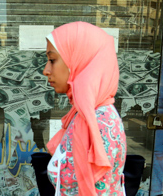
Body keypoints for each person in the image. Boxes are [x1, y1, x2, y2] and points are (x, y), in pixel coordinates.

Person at [42, 21, 126, 195]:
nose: (46, 70)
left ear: (79, 60)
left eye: (52, 60)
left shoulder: (98, 122)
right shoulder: (90, 115)